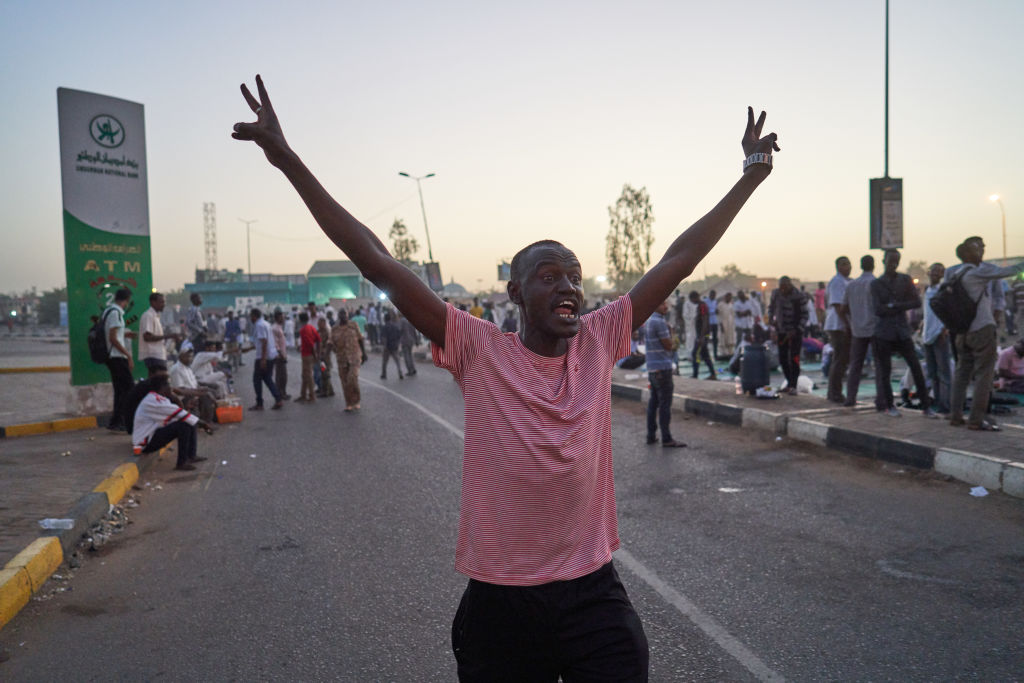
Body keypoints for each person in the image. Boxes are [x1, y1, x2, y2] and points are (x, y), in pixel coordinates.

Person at [233, 75, 778, 679]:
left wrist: (750, 175)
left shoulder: (598, 339)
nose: (568, 287)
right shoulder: (479, 348)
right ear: (516, 293)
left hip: (591, 590)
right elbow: (376, 259)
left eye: (574, 277)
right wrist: (286, 159)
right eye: (549, 277)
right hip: (502, 601)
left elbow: (678, 260)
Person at [946, 237, 1024, 430]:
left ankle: (955, 415)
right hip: (981, 329)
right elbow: (1008, 271)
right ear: (968, 254)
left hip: (962, 332)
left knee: (962, 374)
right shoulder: (978, 272)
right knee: (984, 376)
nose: (981, 252)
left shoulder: (955, 274)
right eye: (977, 249)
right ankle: (976, 419)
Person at [870, 249, 934, 417]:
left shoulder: (904, 280)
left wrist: (894, 306)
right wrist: (898, 306)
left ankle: (926, 405)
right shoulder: (876, 284)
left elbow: (916, 302)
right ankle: (889, 405)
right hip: (884, 332)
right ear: (884, 261)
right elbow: (878, 309)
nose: (893, 264)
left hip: (902, 331)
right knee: (885, 371)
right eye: (891, 260)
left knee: (916, 367)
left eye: (896, 261)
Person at [131, 374, 213, 471]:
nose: (171, 388)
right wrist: (203, 424)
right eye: (168, 385)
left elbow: (176, 415)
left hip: (152, 435)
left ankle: (191, 456)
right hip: (145, 442)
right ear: (162, 387)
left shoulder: (157, 398)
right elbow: (178, 413)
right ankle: (182, 463)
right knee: (184, 424)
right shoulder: (154, 400)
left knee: (188, 420)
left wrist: (183, 406)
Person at [644, 300, 688, 448]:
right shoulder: (660, 322)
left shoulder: (649, 321)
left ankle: (651, 435)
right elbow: (669, 346)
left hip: (652, 368)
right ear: (655, 305)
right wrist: (672, 333)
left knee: (653, 403)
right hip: (662, 368)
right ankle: (666, 438)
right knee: (664, 405)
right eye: (662, 304)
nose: (666, 307)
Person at [841, 255, 877, 407]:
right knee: (880, 365)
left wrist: (851, 322)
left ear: (861, 266)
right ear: (873, 266)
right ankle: (881, 398)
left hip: (857, 330)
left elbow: (843, 308)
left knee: (855, 365)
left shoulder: (852, 285)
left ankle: (850, 397)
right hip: (874, 329)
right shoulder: (876, 283)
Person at [103, 288, 137, 432]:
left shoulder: (107, 312)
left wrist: (125, 334)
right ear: (126, 300)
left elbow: (113, 334)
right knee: (129, 389)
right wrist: (128, 355)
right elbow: (112, 338)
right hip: (117, 357)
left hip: (112, 356)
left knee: (120, 390)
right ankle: (124, 420)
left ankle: (116, 421)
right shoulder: (116, 313)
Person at [922, 263, 953, 414]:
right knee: (933, 373)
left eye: (939, 271)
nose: (935, 273)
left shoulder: (944, 291)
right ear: (929, 272)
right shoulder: (927, 290)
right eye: (933, 270)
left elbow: (950, 310)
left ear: (942, 275)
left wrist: (945, 328)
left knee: (943, 373)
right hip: (927, 335)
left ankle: (945, 405)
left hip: (939, 335)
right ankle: (938, 402)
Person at [768, 276, 807, 395]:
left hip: (795, 331)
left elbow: (805, 315)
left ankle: (793, 385)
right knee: (783, 358)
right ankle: (789, 382)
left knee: (794, 358)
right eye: (781, 288)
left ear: (790, 285)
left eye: (785, 288)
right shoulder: (776, 294)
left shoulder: (799, 296)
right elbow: (771, 308)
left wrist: (797, 329)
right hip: (782, 331)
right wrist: (771, 320)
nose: (783, 290)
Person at [824, 256, 852, 403]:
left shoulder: (848, 281)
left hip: (843, 324)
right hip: (838, 325)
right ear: (838, 267)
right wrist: (846, 324)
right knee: (840, 359)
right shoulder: (837, 282)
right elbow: (837, 305)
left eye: (849, 264)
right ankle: (834, 392)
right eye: (844, 264)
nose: (848, 267)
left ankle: (835, 391)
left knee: (842, 359)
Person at [168, 345, 217, 423]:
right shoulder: (176, 369)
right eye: (187, 356)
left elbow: (194, 384)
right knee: (206, 396)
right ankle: (207, 422)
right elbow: (180, 390)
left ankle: (211, 418)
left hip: (192, 392)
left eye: (191, 357)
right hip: (183, 397)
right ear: (180, 357)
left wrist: (201, 388)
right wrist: (198, 392)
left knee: (211, 391)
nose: (190, 359)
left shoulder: (188, 368)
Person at [247, 308, 284, 410]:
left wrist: (263, 359)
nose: (250, 319)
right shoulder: (266, 323)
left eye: (251, 316)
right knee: (267, 378)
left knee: (257, 380)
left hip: (263, 357)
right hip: (270, 355)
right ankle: (278, 398)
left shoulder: (259, 325)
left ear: (254, 316)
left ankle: (260, 403)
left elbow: (264, 342)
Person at [331, 308, 366, 412]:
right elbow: (330, 342)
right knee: (344, 381)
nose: (343, 316)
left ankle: (356, 401)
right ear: (338, 316)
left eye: (345, 314)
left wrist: (364, 353)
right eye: (341, 314)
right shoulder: (334, 329)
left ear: (347, 315)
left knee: (352, 378)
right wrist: (325, 353)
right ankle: (349, 403)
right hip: (341, 358)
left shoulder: (353, 325)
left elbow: (360, 339)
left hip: (354, 357)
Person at [139, 292, 178, 376]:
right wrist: (168, 336)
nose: (164, 304)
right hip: (153, 355)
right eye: (161, 302)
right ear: (153, 302)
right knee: (160, 379)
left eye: (164, 302)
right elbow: (147, 337)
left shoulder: (155, 316)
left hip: (158, 354)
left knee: (157, 380)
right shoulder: (148, 316)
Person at [689, 291, 716, 380]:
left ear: (694, 298)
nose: (692, 302)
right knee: (705, 355)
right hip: (702, 334)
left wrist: (701, 336)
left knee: (695, 354)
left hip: (703, 335)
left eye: (691, 300)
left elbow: (705, 320)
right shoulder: (700, 306)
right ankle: (712, 374)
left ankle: (695, 375)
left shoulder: (702, 306)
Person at [296, 312, 320, 403]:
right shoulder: (311, 327)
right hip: (310, 354)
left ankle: (311, 395)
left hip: (306, 354)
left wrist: (314, 354)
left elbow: (310, 344)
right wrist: (317, 353)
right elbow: (318, 340)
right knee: (305, 375)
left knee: (308, 375)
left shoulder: (303, 330)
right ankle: (303, 394)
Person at [272, 310, 291, 400]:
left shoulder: (279, 327)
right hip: (279, 356)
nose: (283, 319)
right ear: (277, 318)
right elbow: (275, 344)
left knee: (283, 376)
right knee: (281, 376)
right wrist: (281, 354)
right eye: (282, 317)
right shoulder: (274, 328)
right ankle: (280, 393)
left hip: (282, 354)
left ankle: (283, 392)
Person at [380, 311, 404, 380]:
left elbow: (384, 338)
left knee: (384, 362)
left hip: (387, 347)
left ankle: (384, 374)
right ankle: (400, 373)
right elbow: (399, 336)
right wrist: (397, 344)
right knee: (397, 361)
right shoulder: (395, 326)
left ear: (385, 319)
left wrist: (385, 347)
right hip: (394, 346)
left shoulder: (384, 327)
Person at [317, 316, 336, 397]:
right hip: (320, 356)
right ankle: (330, 390)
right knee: (323, 373)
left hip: (325, 357)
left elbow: (329, 344)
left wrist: (324, 352)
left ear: (324, 323)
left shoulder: (327, 332)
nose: (319, 325)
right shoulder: (318, 332)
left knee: (325, 374)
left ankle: (325, 391)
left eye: (320, 323)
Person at [399, 311, 420, 375]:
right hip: (411, 340)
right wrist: (416, 341)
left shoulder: (402, 321)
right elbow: (414, 331)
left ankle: (410, 370)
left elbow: (399, 330)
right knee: (410, 355)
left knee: (406, 356)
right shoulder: (410, 320)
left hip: (405, 340)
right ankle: (413, 369)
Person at [718, 291, 735, 357]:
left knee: (730, 338)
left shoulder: (731, 304)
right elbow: (718, 315)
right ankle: (723, 353)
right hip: (723, 323)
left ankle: (730, 352)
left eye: (730, 297)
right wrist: (721, 324)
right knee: (723, 338)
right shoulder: (720, 304)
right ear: (725, 297)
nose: (729, 298)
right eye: (728, 297)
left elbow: (733, 314)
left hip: (730, 324)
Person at [703, 290, 719, 358]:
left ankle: (715, 355)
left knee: (715, 339)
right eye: (712, 295)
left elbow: (716, 310)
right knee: (706, 338)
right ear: (710, 294)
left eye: (714, 295)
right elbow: (705, 312)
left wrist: (717, 311)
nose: (713, 296)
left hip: (714, 322)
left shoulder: (715, 301)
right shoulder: (705, 301)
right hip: (708, 323)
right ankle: (705, 355)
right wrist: (713, 311)